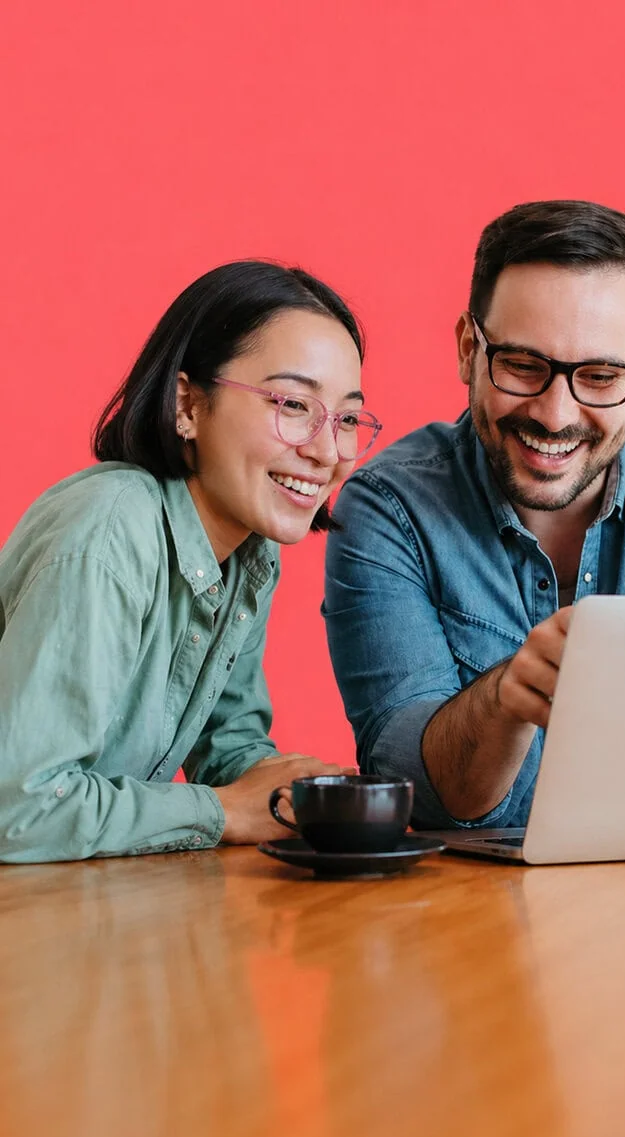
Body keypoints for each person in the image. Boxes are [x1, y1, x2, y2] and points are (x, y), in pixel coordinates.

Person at [323, 200, 625, 831]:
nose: (555, 414)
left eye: (601, 376)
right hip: (476, 919)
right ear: (470, 348)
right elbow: (412, 790)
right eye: (523, 366)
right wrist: (505, 698)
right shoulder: (389, 510)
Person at [0, 261, 382, 862]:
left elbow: (228, 744)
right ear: (188, 405)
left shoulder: (248, 550)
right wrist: (224, 811)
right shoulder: (110, 529)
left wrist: (307, 792)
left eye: (348, 418)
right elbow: (18, 808)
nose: (327, 450)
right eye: (293, 404)